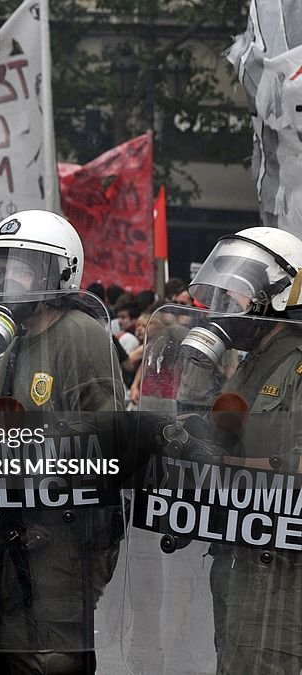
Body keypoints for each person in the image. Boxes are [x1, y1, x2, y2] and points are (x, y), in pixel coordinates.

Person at [0, 210, 124, 674]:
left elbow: (111, 436)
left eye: (22, 267)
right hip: (0, 515)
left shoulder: (80, 335)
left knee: (46, 658)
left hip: (60, 527)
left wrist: (23, 428)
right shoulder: (5, 337)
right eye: (0, 266)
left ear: (58, 274)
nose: (6, 279)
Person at [173, 227, 302, 674]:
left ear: (279, 296)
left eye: (238, 296)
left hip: (282, 571)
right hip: (238, 554)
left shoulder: (297, 362)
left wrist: (223, 463)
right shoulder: (253, 361)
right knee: (234, 661)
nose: (224, 308)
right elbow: (226, 435)